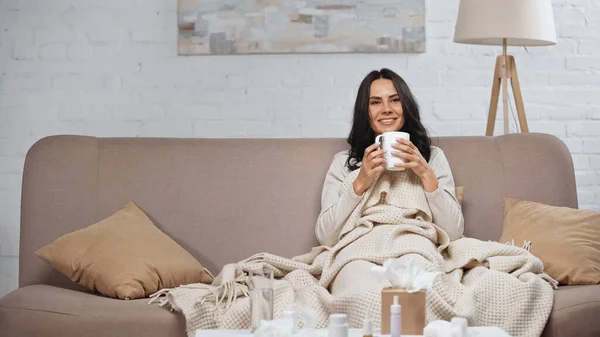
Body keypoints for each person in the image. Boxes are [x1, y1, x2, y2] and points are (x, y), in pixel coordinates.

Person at [315, 68, 464, 247]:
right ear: (365, 111)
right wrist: (360, 182)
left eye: (395, 100)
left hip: (415, 244)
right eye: (375, 102)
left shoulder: (432, 157)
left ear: (406, 106)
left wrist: (425, 174)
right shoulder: (343, 162)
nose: (386, 109)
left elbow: (454, 232)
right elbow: (325, 236)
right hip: (360, 246)